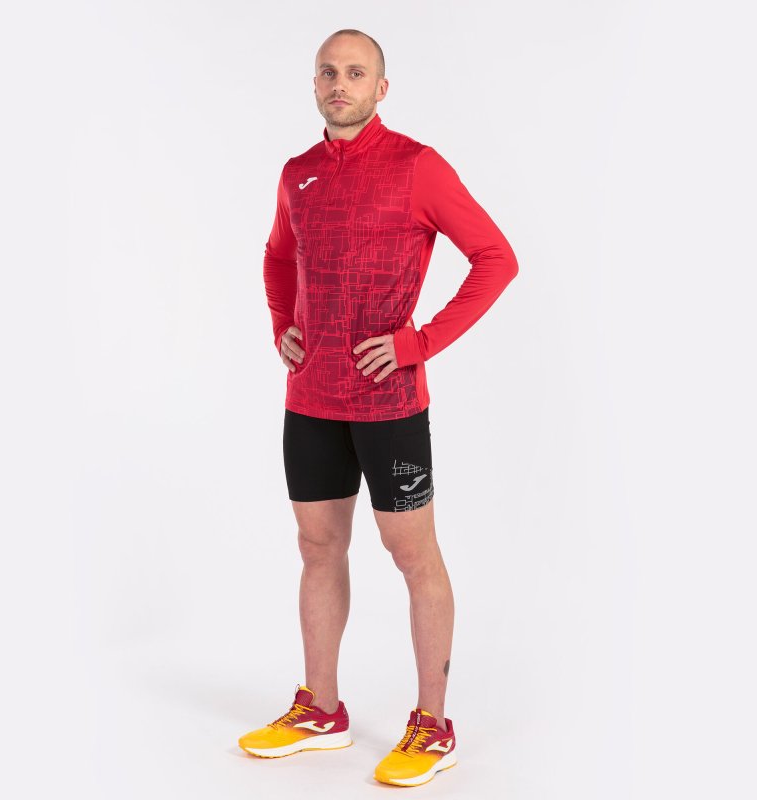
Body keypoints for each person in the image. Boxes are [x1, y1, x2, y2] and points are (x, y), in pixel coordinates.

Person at [238, 28, 518, 787]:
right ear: (315, 84)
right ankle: (321, 711)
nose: (340, 84)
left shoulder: (417, 166)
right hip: (311, 398)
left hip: (389, 401)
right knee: (318, 547)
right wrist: (282, 323)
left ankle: (434, 724)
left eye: (356, 73)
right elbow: (277, 256)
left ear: (381, 88)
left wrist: (418, 343)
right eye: (328, 72)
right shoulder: (297, 173)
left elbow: (496, 259)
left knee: (412, 555)